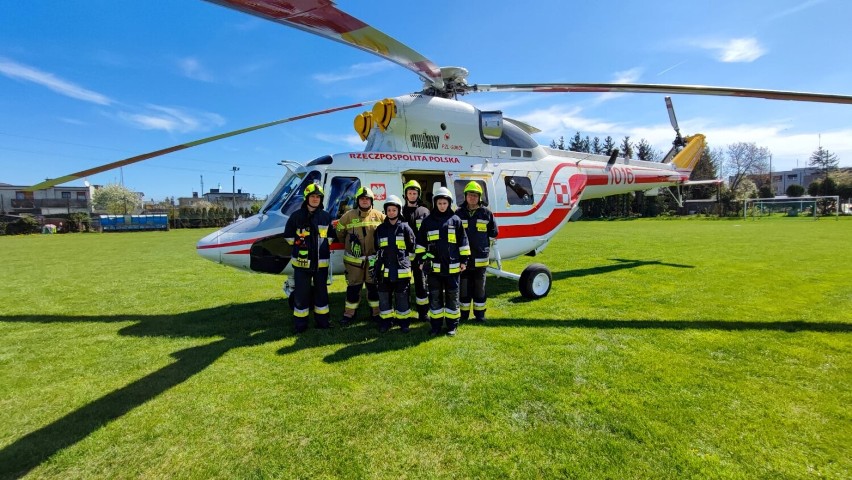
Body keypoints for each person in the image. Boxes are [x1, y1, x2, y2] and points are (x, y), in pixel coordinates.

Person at [415, 186, 470, 336]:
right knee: (435, 297)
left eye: (444, 203)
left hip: (453, 268)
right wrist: (420, 260)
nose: (442, 206)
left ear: (449, 203)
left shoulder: (456, 220)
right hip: (434, 269)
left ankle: (452, 326)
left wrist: (464, 260)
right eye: (439, 203)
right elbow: (420, 243)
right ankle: (436, 326)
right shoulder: (427, 222)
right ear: (435, 203)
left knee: (453, 297)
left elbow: (463, 243)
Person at [283, 182, 332, 332]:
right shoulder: (296, 217)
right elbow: (289, 237)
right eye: (313, 196)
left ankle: (323, 322)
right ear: (307, 198)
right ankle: (300, 325)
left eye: (318, 197)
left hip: (321, 265)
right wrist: (299, 246)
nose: (316, 199)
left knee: (321, 295)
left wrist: (321, 249)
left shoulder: (326, 217)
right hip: (302, 265)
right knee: (301, 295)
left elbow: (331, 237)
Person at [335, 186, 385, 326]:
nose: (364, 201)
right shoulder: (348, 216)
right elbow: (339, 233)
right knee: (353, 288)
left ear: (371, 201)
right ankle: (349, 314)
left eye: (367, 199)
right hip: (353, 262)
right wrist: (349, 244)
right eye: (362, 199)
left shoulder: (379, 216)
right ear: (358, 200)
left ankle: (376, 313)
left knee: (373, 288)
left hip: (373, 262)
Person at [373, 195, 416, 333]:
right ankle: (386, 322)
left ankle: (404, 323)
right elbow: (377, 248)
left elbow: (412, 247)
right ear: (385, 211)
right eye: (389, 210)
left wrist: (407, 265)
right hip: (384, 271)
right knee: (384, 297)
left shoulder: (405, 228)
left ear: (399, 211)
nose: (391, 212)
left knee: (402, 297)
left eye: (394, 210)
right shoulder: (380, 229)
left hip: (401, 271)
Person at [456, 181, 498, 323]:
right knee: (464, 288)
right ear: (465, 196)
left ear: (479, 197)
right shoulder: (458, 213)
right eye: (469, 195)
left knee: (480, 288)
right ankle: (464, 315)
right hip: (464, 259)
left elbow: (494, 232)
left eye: (475, 195)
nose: (472, 198)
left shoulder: (487, 214)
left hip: (480, 258)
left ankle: (480, 315)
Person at [401, 179, 431, 322]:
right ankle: (404, 312)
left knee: (421, 285)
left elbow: (428, 235)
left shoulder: (424, 212)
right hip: (403, 256)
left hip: (419, 255)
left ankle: (423, 313)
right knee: (404, 286)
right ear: (405, 194)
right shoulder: (399, 211)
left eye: (414, 193)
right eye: (409, 193)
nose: (412, 195)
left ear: (418, 195)